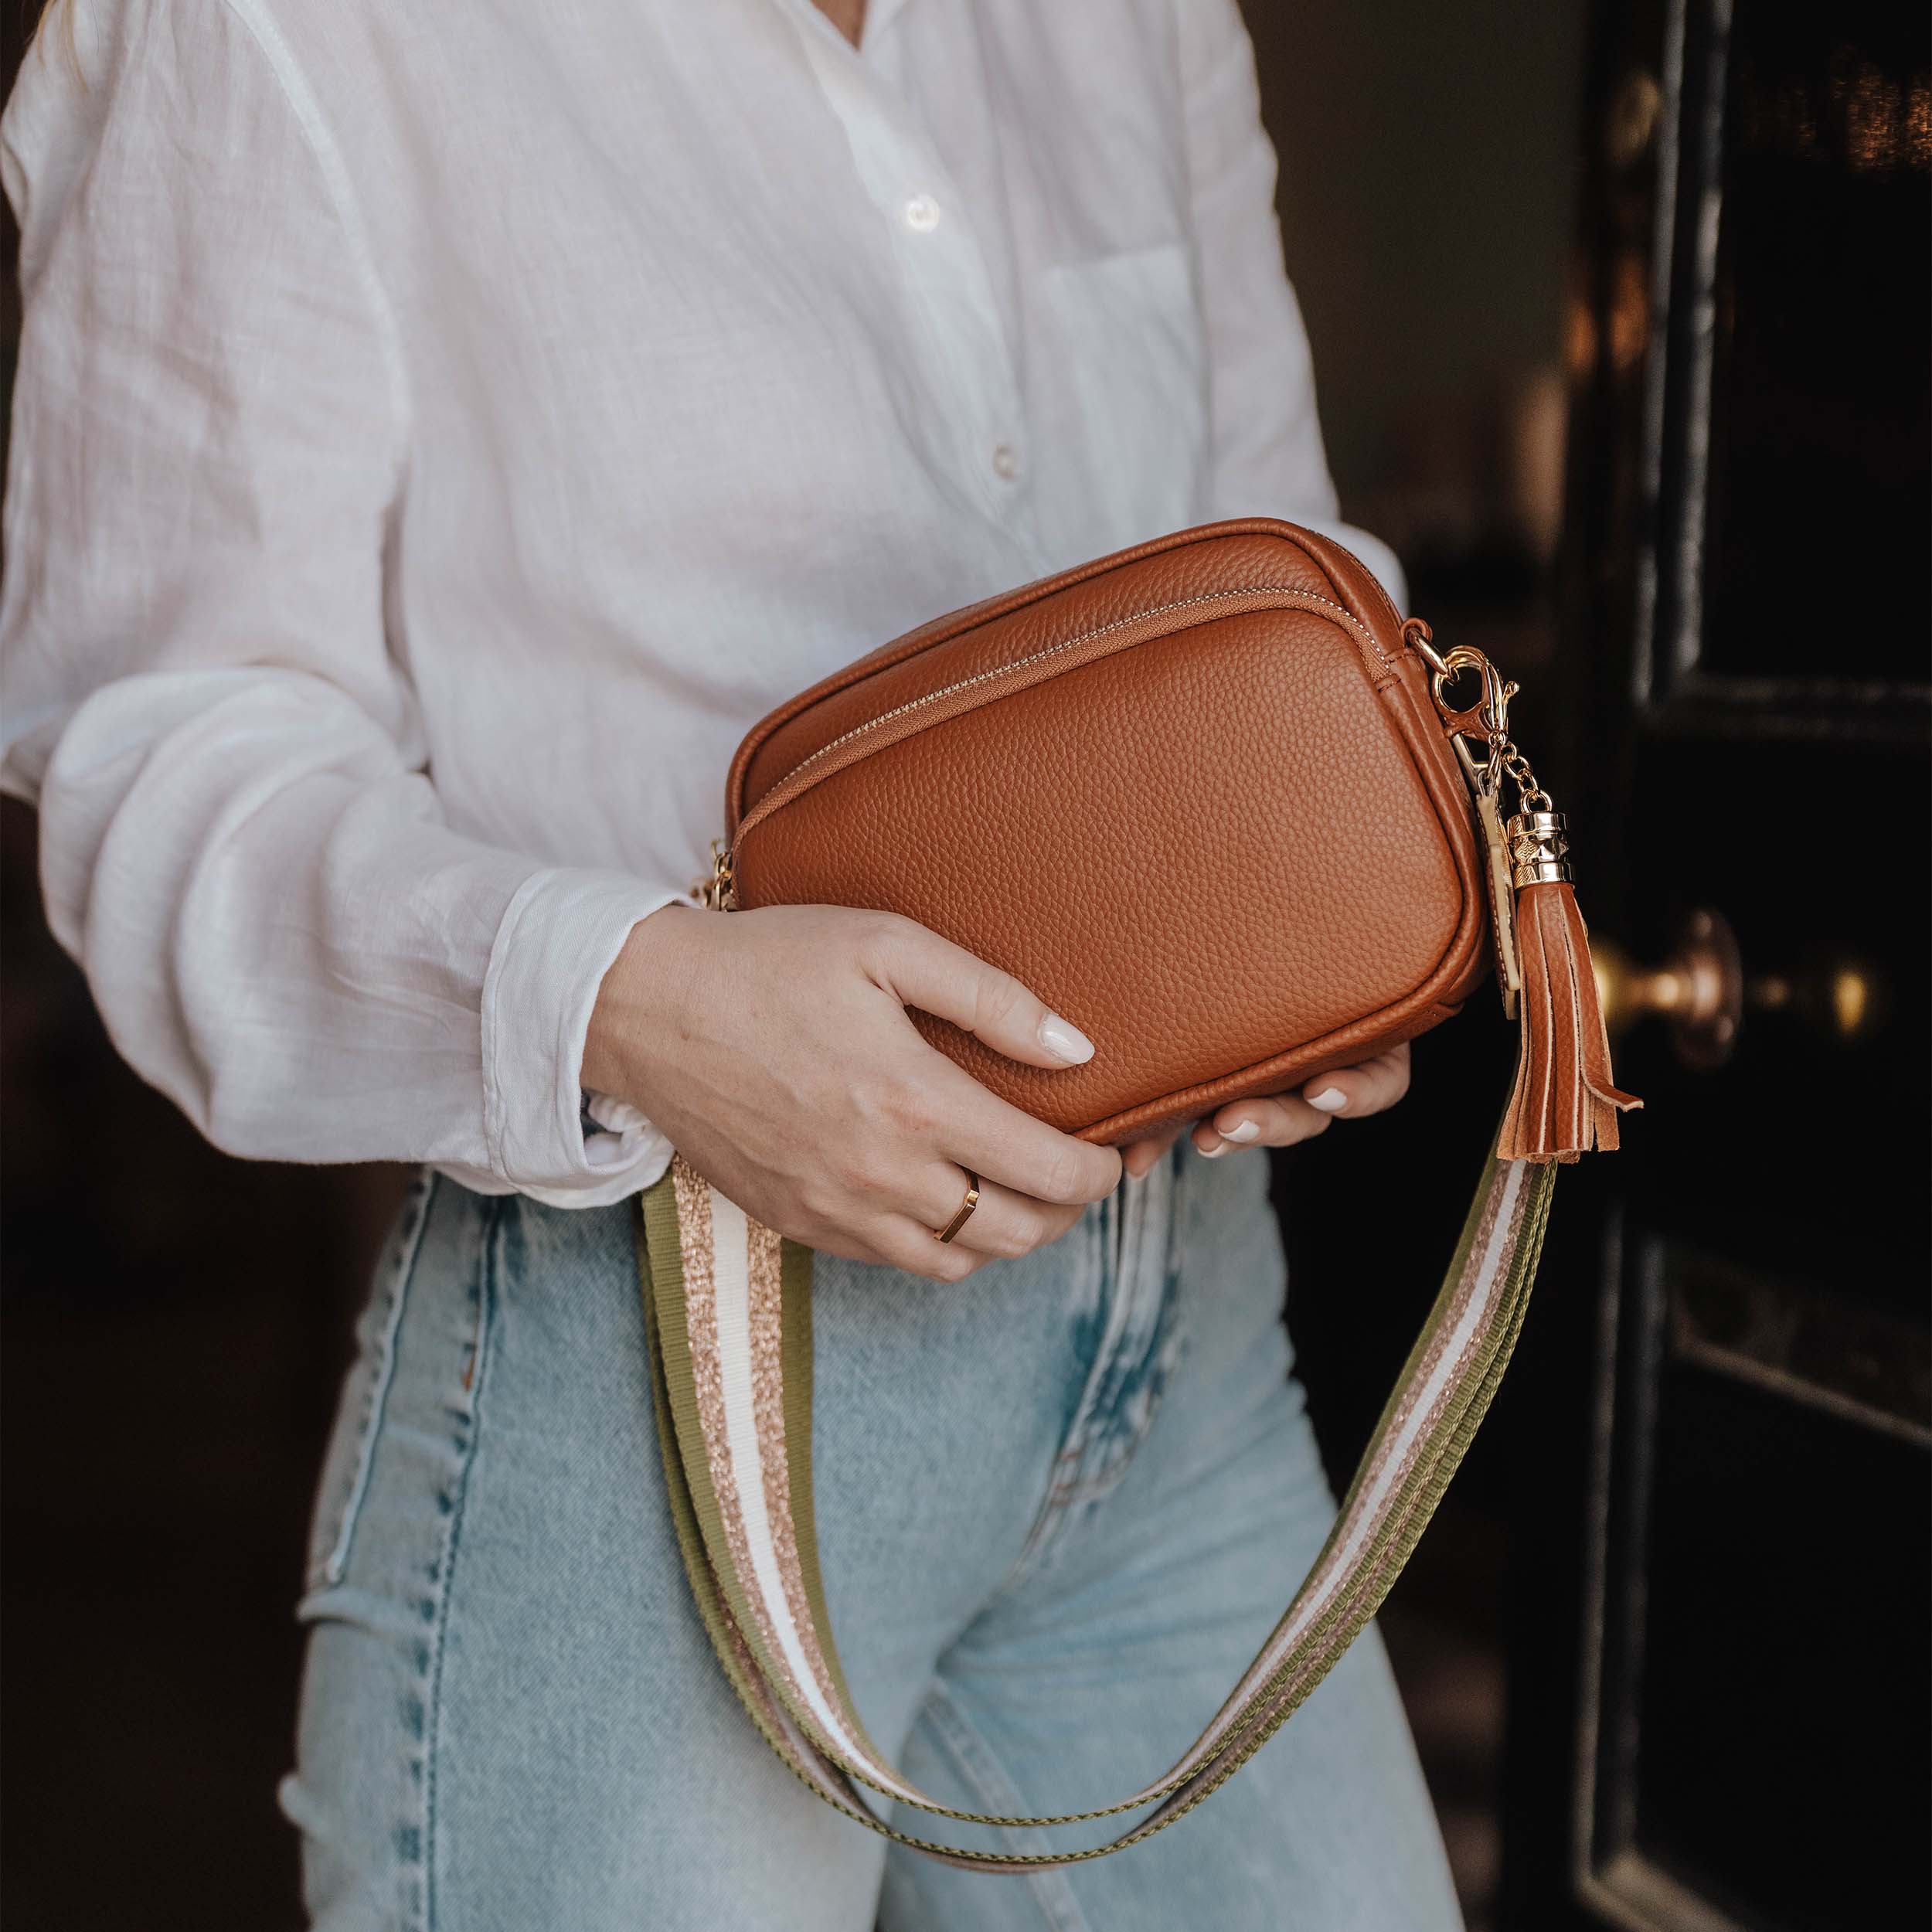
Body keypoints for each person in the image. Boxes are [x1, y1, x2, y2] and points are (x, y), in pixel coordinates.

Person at [0, 0, 1461, 1925]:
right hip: (656, 1398)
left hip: (1175, 1365)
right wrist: (644, 1001)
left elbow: (1272, 570)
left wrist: (1313, 906)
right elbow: (165, 757)